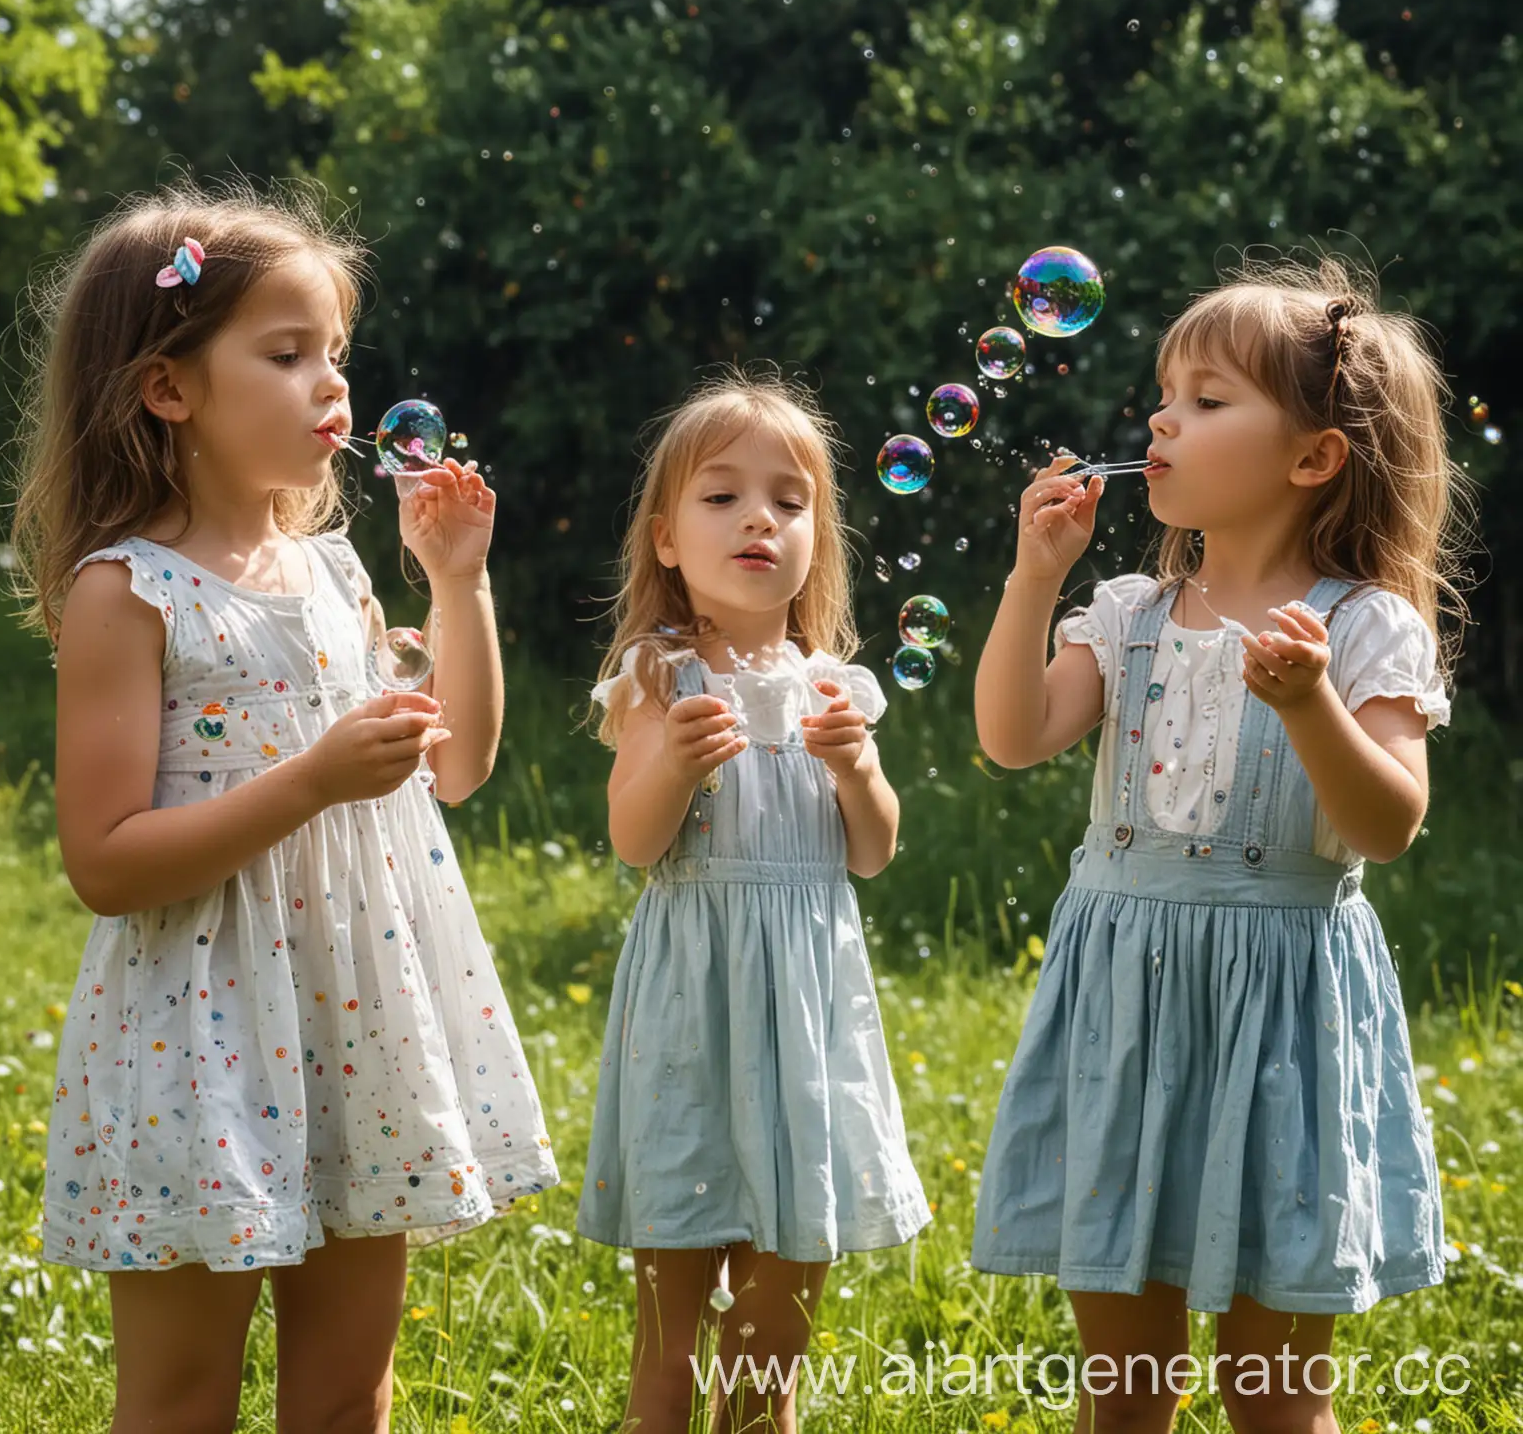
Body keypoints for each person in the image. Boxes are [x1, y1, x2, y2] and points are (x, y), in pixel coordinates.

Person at [11, 181, 558, 1434]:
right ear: (168, 388)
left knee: (349, 1394)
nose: (335, 387)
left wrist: (457, 586)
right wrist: (310, 779)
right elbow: (105, 860)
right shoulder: (129, 593)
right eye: (287, 352)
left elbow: (456, 764)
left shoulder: (334, 570)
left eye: (338, 356)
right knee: (181, 1396)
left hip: (353, 1018)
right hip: (198, 1029)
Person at [971, 258, 1472, 1434]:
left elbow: (1386, 824)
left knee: (1277, 1395)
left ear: (1312, 458)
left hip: (1283, 1022)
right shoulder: (1131, 612)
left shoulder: (1363, 629)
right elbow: (1013, 735)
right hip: (1127, 1008)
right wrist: (1032, 582)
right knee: (1125, 1389)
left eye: (1206, 401)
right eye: (1164, 396)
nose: (1160, 420)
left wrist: (1308, 705)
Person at [576, 367, 931, 1432]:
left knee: (772, 1347)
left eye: (789, 499)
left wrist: (858, 769)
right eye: (722, 496)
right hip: (696, 1013)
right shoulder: (659, 676)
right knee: (668, 1361)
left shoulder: (837, 687)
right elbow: (635, 841)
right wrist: (672, 766)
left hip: (809, 1017)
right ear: (668, 539)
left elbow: (872, 853)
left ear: (817, 536)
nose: (759, 519)